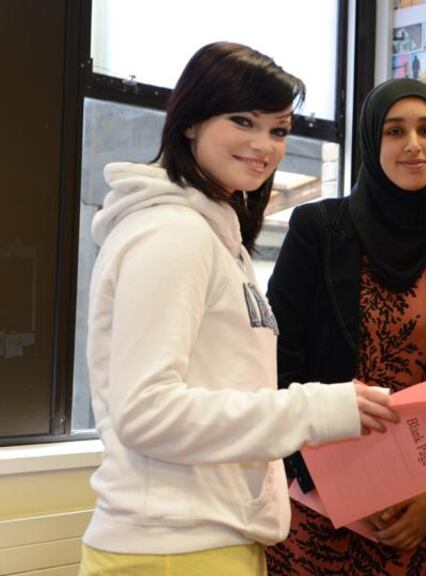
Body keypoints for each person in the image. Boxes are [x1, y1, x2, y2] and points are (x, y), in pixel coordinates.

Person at [80, 42, 397, 574]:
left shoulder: (214, 234)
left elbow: (223, 392)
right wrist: (312, 410)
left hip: (205, 540)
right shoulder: (173, 234)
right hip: (172, 549)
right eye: (243, 121)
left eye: (278, 129)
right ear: (190, 122)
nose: (264, 145)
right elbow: (147, 412)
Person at [264, 78, 426, 575]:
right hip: (319, 503)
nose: (414, 144)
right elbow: (277, 360)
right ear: (372, 141)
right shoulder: (317, 230)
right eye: (395, 131)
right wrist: (336, 485)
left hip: (419, 503)